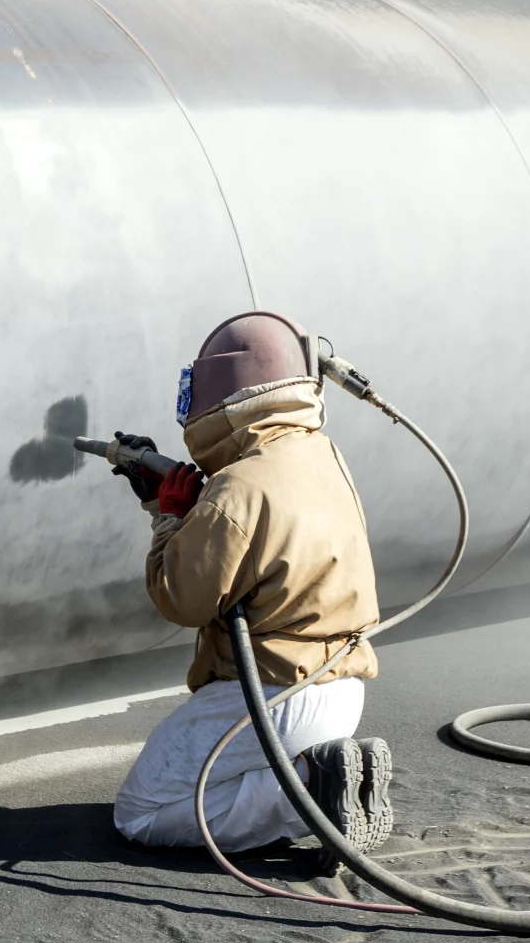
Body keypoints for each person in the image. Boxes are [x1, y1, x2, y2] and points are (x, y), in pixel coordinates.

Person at [102, 312, 395, 853]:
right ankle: (322, 776)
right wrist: (186, 511)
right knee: (204, 788)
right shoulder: (319, 453)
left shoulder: (238, 486)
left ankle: (311, 787)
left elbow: (183, 598)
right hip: (338, 688)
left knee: (141, 814)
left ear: (221, 393)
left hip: (274, 696)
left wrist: (167, 520)